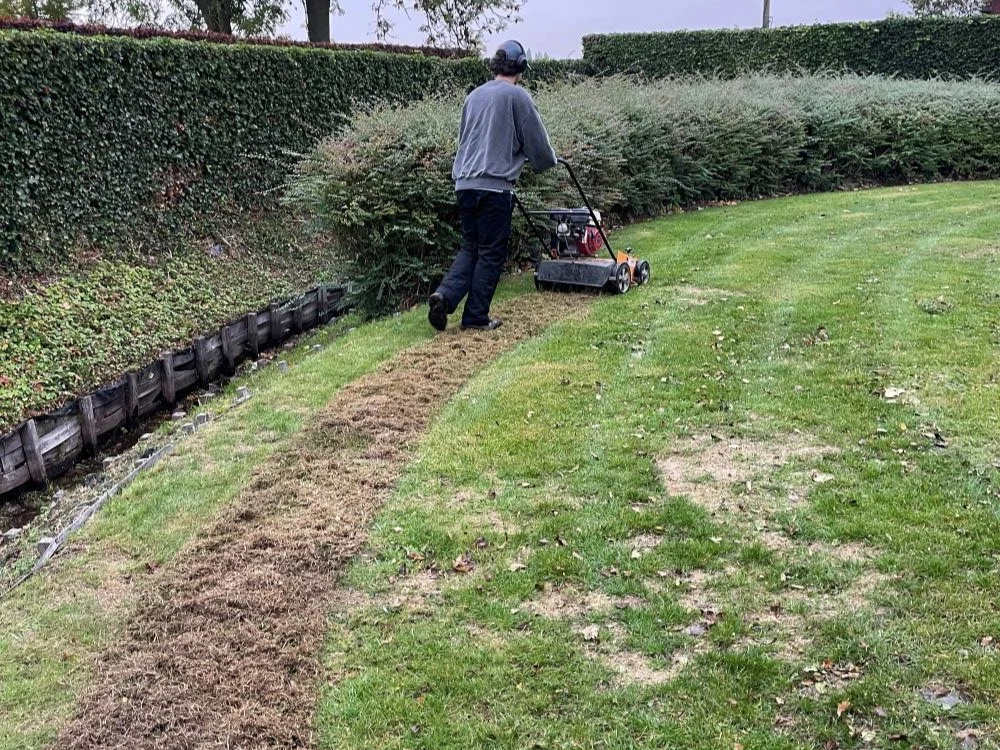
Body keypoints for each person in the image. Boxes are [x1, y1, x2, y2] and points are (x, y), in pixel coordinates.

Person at [427, 40, 558, 332]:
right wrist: (548, 161)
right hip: (494, 188)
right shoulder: (517, 96)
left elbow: (466, 139)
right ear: (521, 66)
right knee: (491, 253)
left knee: (471, 247)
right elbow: (536, 141)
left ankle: (444, 296)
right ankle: (475, 318)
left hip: (464, 183)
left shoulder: (474, 96)